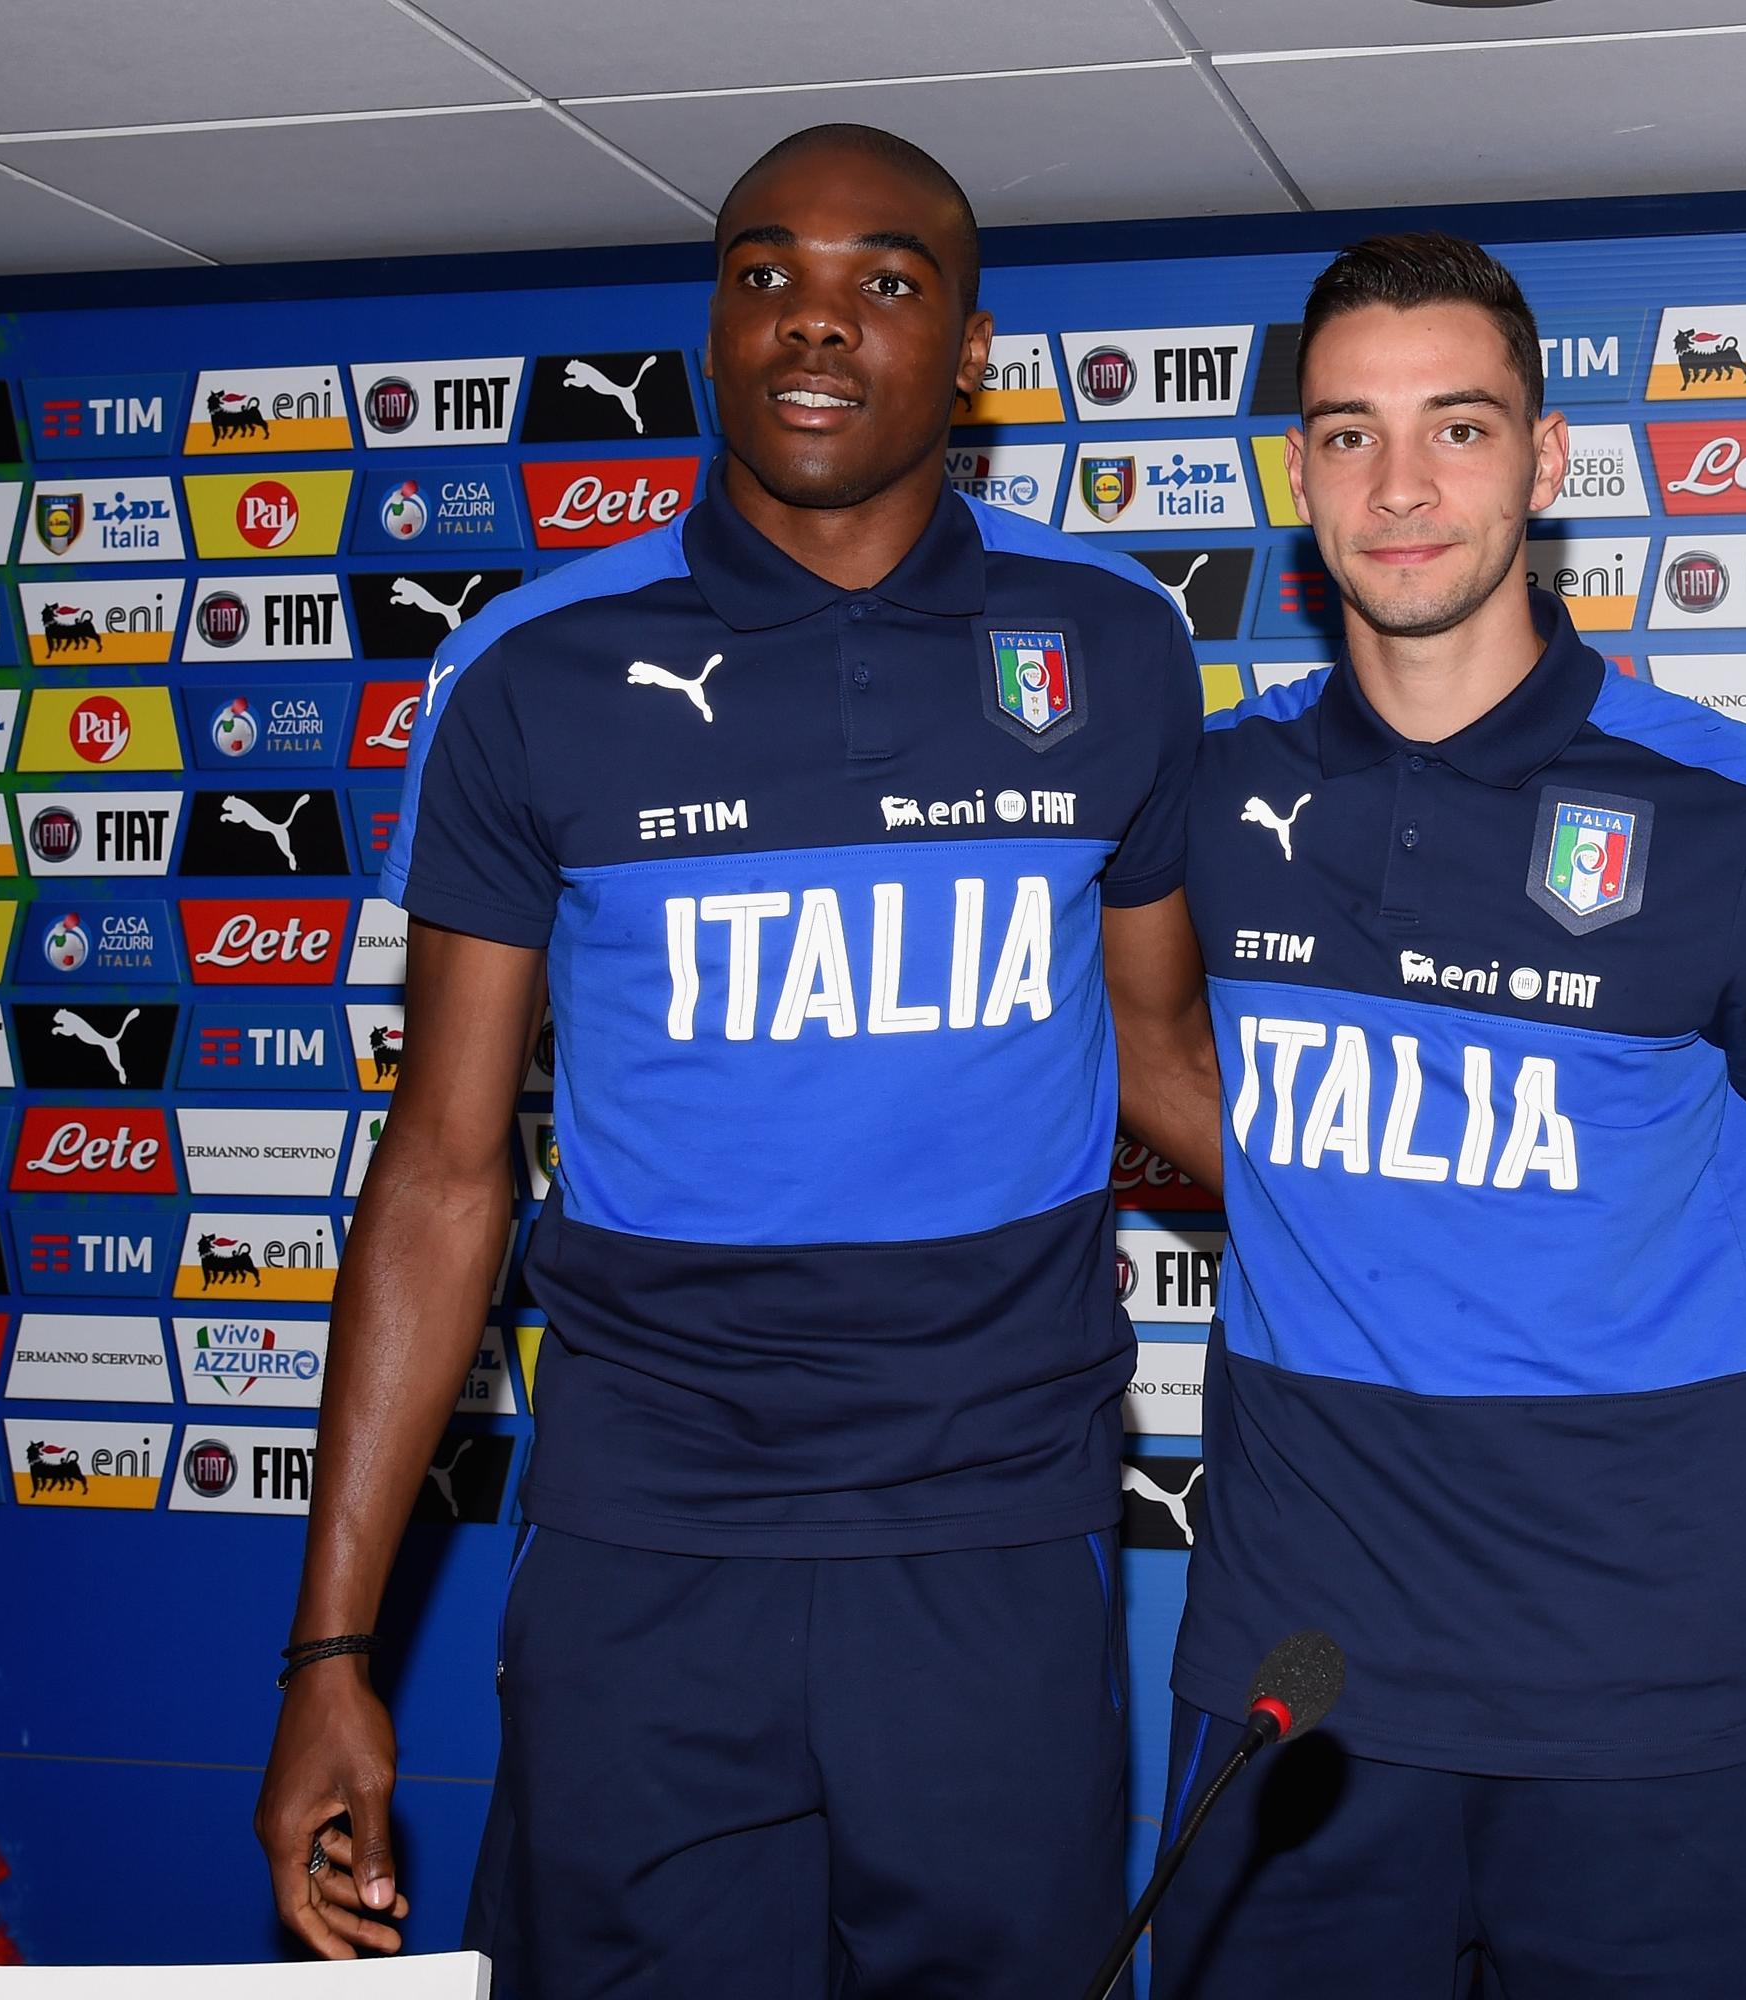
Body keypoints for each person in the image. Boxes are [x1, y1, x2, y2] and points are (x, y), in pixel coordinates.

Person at [252, 123, 1219, 1998]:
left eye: (884, 281)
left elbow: (1166, 1055)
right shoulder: (535, 666)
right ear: (711, 323)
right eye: (765, 273)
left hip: (991, 1532)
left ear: (971, 347)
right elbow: (447, 1170)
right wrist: (328, 1657)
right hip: (648, 1539)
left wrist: (1465, 1229)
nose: (815, 323)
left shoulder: (1109, 642)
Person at [1151, 233, 1746, 1996]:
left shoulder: (1731, 812)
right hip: (1296, 1681)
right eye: (1349, 435)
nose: (1404, 485)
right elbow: (1131, 1058)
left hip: (1637, 1698)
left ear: (1549, 459)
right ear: (1297, 476)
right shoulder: (1212, 789)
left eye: (1459, 427)